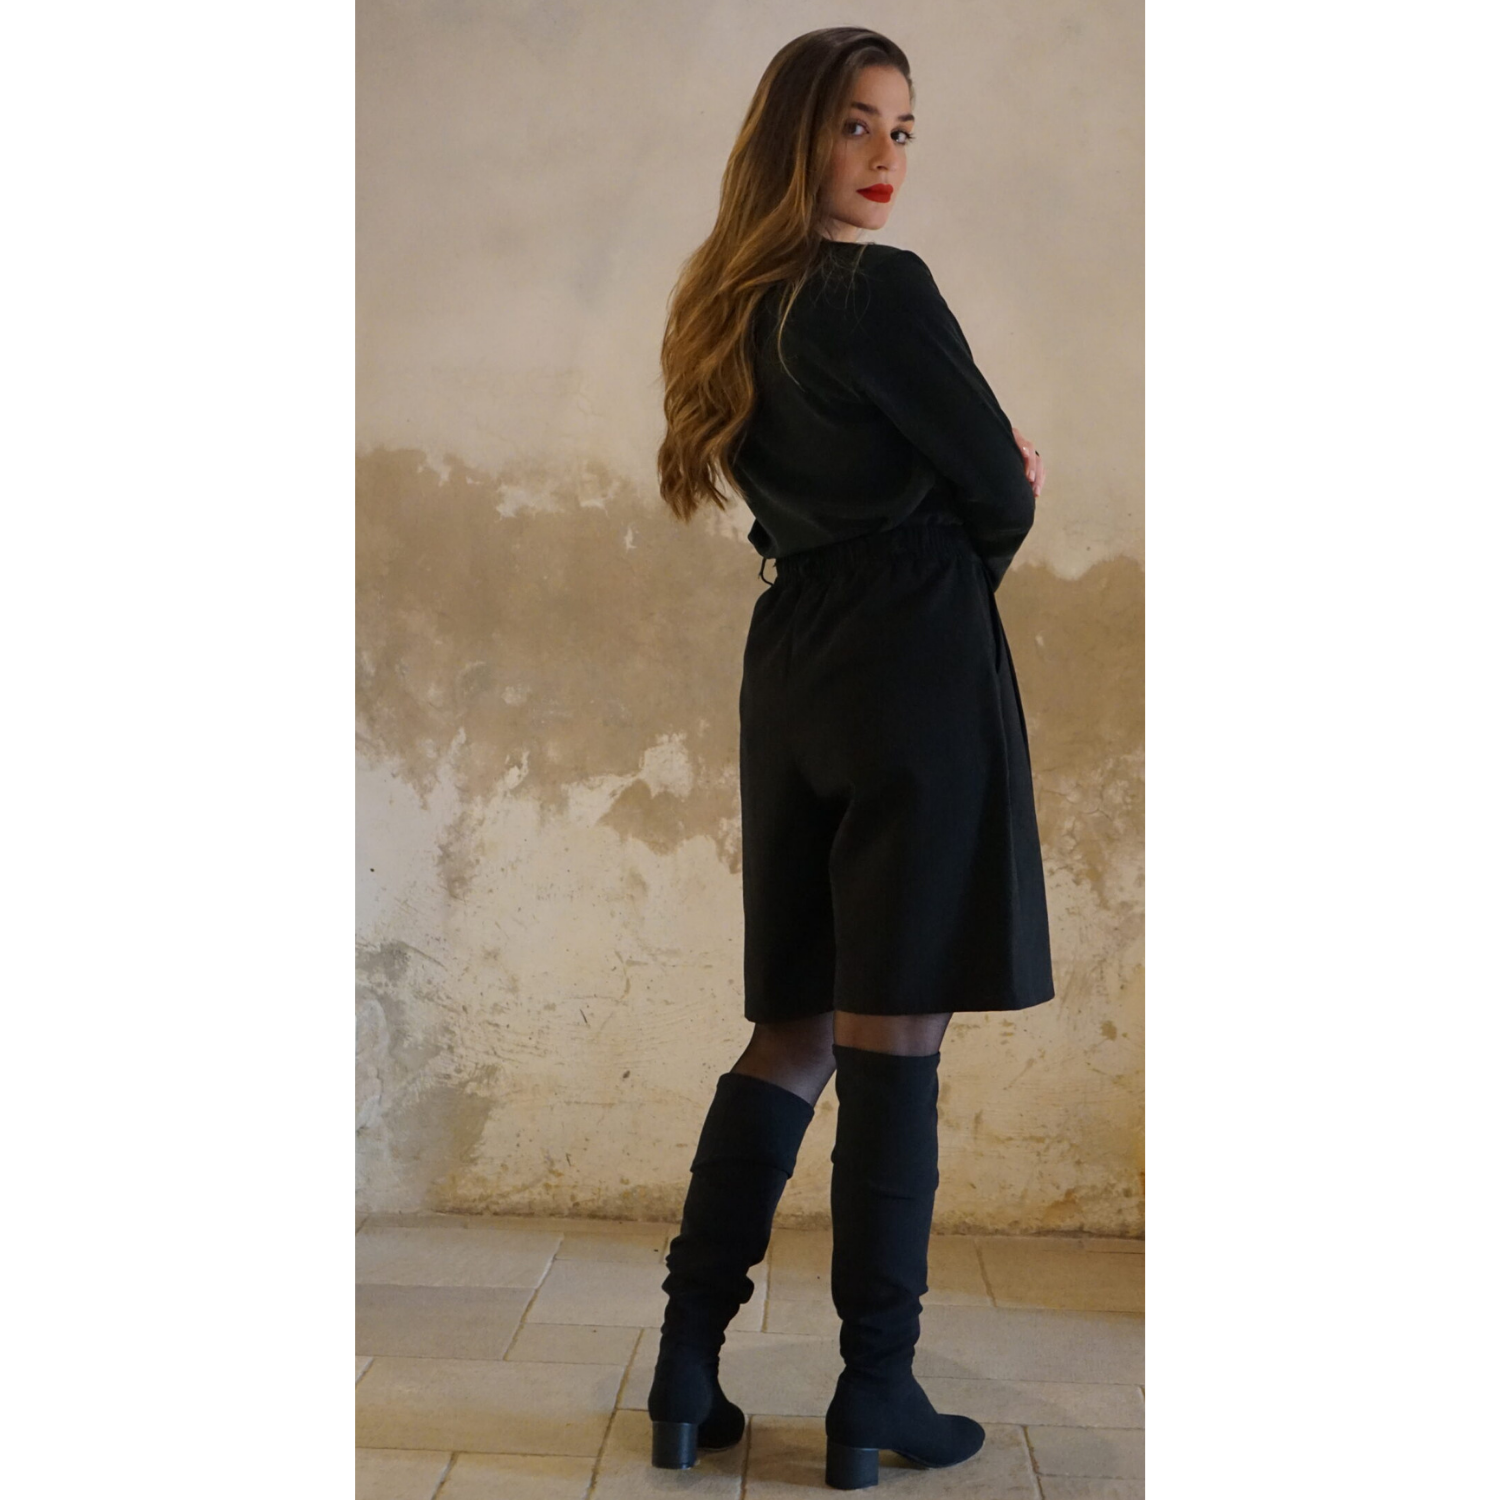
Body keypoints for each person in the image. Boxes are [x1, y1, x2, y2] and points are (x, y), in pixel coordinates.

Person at [648, 25, 1054, 1491]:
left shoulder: (723, 303)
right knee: (895, 1031)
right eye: (856, 126)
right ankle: (875, 1389)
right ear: (797, 136)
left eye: (902, 132)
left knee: (798, 1025)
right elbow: (997, 490)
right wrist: (979, 521)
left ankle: (685, 1364)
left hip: (793, 658)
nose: (885, 159)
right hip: (910, 655)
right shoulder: (880, 292)